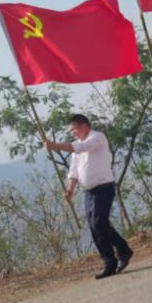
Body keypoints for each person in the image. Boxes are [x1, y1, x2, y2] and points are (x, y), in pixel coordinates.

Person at [44, 114, 133, 279]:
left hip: (104, 187)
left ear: (84, 125)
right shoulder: (76, 148)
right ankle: (116, 256)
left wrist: (54, 146)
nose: (73, 133)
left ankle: (116, 257)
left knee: (99, 223)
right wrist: (69, 190)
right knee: (95, 226)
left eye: (74, 129)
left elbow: (82, 147)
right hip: (89, 192)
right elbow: (74, 172)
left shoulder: (97, 137)